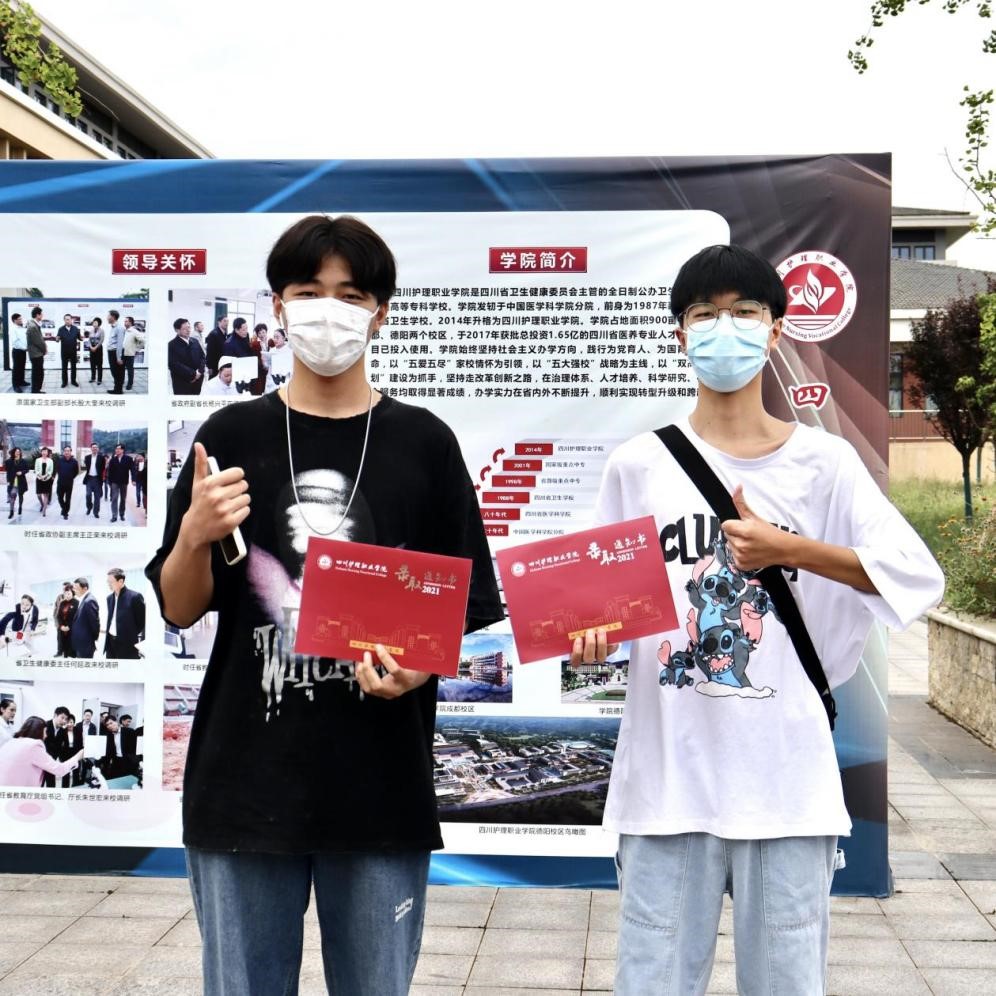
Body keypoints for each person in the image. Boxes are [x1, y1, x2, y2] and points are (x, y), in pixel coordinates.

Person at [146, 214, 503, 996]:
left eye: (350, 294)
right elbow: (179, 607)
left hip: (381, 790)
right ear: (278, 306)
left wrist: (417, 668)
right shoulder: (231, 433)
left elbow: (469, 599)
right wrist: (193, 536)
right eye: (309, 292)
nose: (328, 311)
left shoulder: (424, 443)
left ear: (380, 312)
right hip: (244, 786)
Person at [575, 244, 945, 996]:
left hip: (786, 782)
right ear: (679, 333)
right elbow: (602, 615)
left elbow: (917, 577)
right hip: (666, 783)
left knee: (786, 984)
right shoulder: (638, 465)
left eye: (745, 312)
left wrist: (791, 550)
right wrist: (589, 640)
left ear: (775, 331)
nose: (725, 328)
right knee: (650, 984)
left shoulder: (825, 464)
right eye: (704, 314)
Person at [0, 716, 83, 788]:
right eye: (45, 731)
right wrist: (78, 756)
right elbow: (59, 770)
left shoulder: (11, 742)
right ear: (37, 731)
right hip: (20, 795)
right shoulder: (33, 746)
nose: (46, 735)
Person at [105, 567, 145, 659]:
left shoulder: (135, 597)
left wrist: (129, 634)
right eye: (108, 582)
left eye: (111, 582)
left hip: (127, 644)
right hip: (110, 642)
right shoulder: (109, 598)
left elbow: (141, 622)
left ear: (120, 581)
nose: (108, 584)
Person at [168, 318, 206, 395]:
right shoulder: (171, 345)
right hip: (183, 382)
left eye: (189, 327)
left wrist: (200, 371)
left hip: (198, 380)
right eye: (185, 329)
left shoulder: (195, 341)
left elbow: (202, 357)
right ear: (177, 330)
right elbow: (174, 364)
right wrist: (193, 374)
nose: (188, 330)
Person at [101, 715, 142, 782]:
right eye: (107, 725)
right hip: (116, 761)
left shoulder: (129, 731)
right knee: (115, 779)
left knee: (128, 780)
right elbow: (108, 750)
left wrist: (137, 761)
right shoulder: (109, 735)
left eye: (111, 723)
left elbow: (136, 748)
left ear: (116, 722)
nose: (110, 726)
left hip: (128, 761)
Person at [70, 577, 100, 658]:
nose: (74, 590)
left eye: (76, 588)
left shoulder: (89, 601)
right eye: (73, 588)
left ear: (85, 588)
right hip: (81, 641)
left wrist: (92, 639)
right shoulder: (83, 599)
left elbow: (94, 623)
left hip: (85, 642)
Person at [42, 706, 71, 788]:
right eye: (62, 718)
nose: (64, 721)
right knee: (39, 785)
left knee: (51, 786)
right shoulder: (44, 726)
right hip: (40, 762)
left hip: (52, 763)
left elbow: (63, 748)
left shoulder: (63, 731)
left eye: (66, 719)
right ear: (55, 715)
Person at [106, 444, 134, 524]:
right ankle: (114, 516)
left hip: (124, 482)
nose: (117, 450)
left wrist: (133, 479)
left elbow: (133, 470)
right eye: (116, 449)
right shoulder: (113, 460)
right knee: (114, 498)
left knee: (123, 499)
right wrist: (109, 482)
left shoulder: (128, 459)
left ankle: (122, 514)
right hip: (114, 482)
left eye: (118, 449)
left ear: (122, 450)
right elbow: (110, 472)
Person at [263, 328, 293, 393]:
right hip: (271, 381)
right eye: (274, 337)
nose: (275, 339)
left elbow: (291, 367)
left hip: (284, 380)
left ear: (283, 338)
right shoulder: (272, 350)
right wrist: (264, 361)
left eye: (277, 337)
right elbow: (267, 367)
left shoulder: (289, 349)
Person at [56, 314, 81, 388]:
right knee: (64, 367)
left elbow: (79, 338)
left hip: (73, 351)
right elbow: (57, 339)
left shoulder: (75, 328)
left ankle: (73, 381)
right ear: (64, 320)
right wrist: (57, 339)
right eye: (66, 319)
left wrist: (82, 338)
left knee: (74, 367)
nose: (68, 321)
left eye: (69, 319)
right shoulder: (61, 329)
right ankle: (64, 382)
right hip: (64, 352)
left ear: (71, 320)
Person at [55, 444, 79, 520]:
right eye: (65, 451)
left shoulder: (74, 461)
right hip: (60, 482)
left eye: (68, 451)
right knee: (59, 497)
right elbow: (57, 469)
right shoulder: (60, 460)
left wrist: (71, 477)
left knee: (68, 499)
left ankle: (65, 513)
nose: (67, 452)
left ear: (71, 452)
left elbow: (76, 472)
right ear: (63, 452)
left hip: (69, 483)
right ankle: (64, 508)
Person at [81, 443, 105, 518]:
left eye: (96, 447)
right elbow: (84, 467)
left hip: (97, 479)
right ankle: (89, 507)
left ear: (98, 449)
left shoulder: (101, 458)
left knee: (97, 497)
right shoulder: (87, 457)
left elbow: (103, 468)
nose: (94, 448)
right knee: (88, 495)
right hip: (89, 479)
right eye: (93, 447)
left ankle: (96, 512)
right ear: (91, 449)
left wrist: (102, 478)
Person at [26, 306, 46, 393]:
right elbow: (38, 342)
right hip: (36, 354)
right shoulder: (33, 326)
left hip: (36, 353)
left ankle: (36, 389)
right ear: (37, 315)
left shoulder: (33, 324)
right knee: (37, 373)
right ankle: (35, 390)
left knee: (37, 372)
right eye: (41, 314)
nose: (42, 316)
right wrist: (44, 350)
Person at [122, 316, 146, 391]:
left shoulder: (134, 331)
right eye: (124, 321)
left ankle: (130, 384)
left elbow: (143, 341)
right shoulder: (125, 331)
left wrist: (136, 349)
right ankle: (121, 381)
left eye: (126, 321)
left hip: (130, 353)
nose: (124, 322)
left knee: (130, 370)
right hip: (122, 352)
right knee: (121, 369)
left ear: (130, 322)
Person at [55, 582, 78, 657]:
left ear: (73, 593)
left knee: (71, 648)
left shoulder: (76, 603)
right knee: (62, 642)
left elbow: (76, 617)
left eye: (68, 593)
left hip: (72, 628)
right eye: (65, 594)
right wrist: (61, 626)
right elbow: (59, 616)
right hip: (62, 628)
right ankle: (62, 654)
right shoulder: (62, 603)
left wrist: (69, 626)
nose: (67, 595)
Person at [5, 446, 29, 519]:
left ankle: (20, 507)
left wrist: (21, 472)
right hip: (12, 482)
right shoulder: (9, 461)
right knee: (12, 496)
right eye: (16, 451)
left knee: (20, 496)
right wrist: (8, 481)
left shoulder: (23, 461)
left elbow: (27, 470)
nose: (17, 453)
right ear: (13, 453)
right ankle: (11, 511)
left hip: (21, 481)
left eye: (19, 451)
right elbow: (8, 472)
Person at [105, 309, 125, 395]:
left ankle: (118, 390)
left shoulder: (119, 328)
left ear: (113, 317)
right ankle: (116, 388)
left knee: (118, 372)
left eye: (108, 316)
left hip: (115, 353)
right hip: (111, 352)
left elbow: (120, 344)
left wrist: (119, 357)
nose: (107, 318)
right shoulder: (113, 327)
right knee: (114, 372)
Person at [9, 312, 28, 392]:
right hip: (17, 351)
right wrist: (24, 348)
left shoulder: (21, 328)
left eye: (21, 319)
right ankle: (16, 385)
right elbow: (15, 342)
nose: (21, 320)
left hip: (23, 351)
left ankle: (21, 381)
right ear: (14, 320)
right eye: (19, 319)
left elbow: (24, 339)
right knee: (16, 369)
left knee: (22, 367)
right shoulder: (13, 329)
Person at [34, 446, 54, 517]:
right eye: (43, 451)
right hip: (39, 479)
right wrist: (40, 476)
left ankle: (44, 511)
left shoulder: (50, 461)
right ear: (41, 452)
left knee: (46, 495)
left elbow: (51, 471)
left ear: (47, 453)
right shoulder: (37, 460)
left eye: (46, 451)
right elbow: (36, 469)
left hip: (47, 479)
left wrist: (45, 476)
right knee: (39, 495)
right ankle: (42, 504)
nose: (44, 452)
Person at [88, 317, 104, 384]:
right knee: (92, 364)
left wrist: (96, 347)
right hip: (92, 348)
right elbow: (89, 340)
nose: (94, 324)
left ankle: (99, 379)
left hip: (98, 348)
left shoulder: (101, 331)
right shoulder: (91, 330)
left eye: (95, 322)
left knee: (99, 364)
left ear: (99, 323)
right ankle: (93, 378)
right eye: (93, 322)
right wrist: (91, 347)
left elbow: (101, 340)